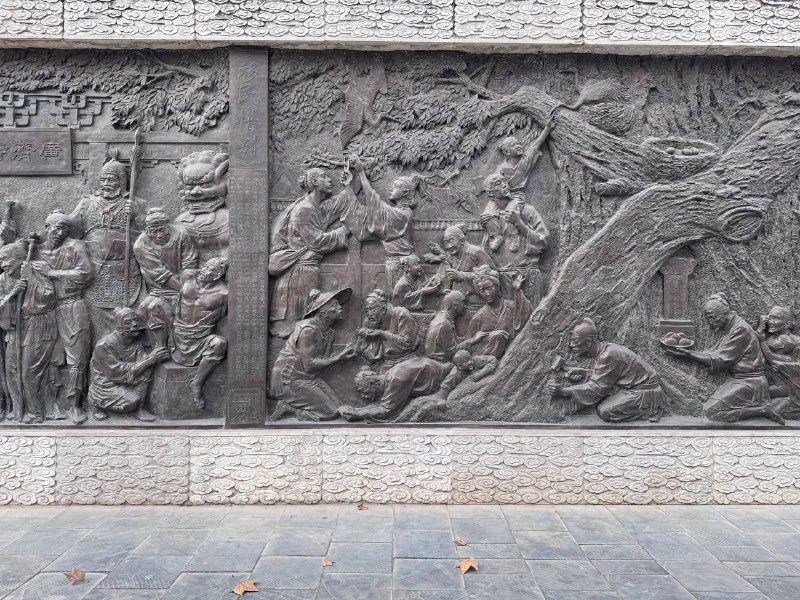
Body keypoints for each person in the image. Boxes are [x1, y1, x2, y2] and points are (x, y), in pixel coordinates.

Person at [664, 293, 785, 424]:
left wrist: (689, 354)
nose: (710, 322)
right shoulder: (731, 326)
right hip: (737, 379)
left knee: (713, 412)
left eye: (712, 317)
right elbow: (718, 353)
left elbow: (721, 360)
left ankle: (762, 411)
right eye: (708, 318)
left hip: (751, 382)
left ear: (724, 313)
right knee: (708, 407)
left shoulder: (740, 329)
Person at [269, 167, 353, 338]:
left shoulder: (317, 207)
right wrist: (343, 232)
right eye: (324, 176)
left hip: (308, 272)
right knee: (298, 326)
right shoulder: (304, 209)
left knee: (306, 323)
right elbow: (317, 242)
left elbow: (341, 202)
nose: (330, 180)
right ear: (315, 182)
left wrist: (349, 185)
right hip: (297, 275)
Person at [69, 152, 147, 335]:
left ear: (122, 180)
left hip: (124, 270)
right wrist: (58, 219)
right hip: (94, 269)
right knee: (95, 319)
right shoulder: (87, 203)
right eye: (103, 179)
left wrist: (138, 216)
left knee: (128, 314)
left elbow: (152, 232)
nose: (106, 184)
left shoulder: (135, 203)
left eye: (111, 179)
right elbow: (71, 229)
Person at [33, 211, 94, 425]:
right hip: (43, 312)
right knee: (49, 357)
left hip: (72, 305)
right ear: (46, 227)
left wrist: (53, 273)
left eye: (65, 229)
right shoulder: (35, 250)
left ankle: (75, 405)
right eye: (57, 227)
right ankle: (49, 404)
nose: (61, 232)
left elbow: (85, 273)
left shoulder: (76, 246)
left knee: (78, 357)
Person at [545, 317, 664, 422]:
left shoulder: (608, 355)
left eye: (575, 341)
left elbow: (597, 388)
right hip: (635, 388)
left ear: (589, 342)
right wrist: (583, 372)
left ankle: (649, 410)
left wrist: (564, 391)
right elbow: (609, 375)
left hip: (644, 393)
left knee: (604, 411)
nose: (571, 345)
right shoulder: (605, 350)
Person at [270, 288, 357, 421]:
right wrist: (339, 358)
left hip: (309, 377)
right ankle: (289, 406)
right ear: (323, 313)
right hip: (290, 378)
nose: (340, 307)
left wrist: (341, 355)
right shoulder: (308, 330)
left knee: (341, 408)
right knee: (330, 413)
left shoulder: (329, 332)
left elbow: (322, 362)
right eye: (334, 305)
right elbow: (309, 365)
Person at [347, 157, 433, 290]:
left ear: (404, 193)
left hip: (402, 266)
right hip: (395, 263)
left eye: (396, 187)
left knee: (399, 297)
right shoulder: (397, 212)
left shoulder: (404, 214)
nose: (391, 189)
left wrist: (361, 172)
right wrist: (348, 186)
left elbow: (374, 201)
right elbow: (367, 210)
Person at [88, 308, 170, 421]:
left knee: (147, 369)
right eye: (128, 322)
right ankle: (97, 403)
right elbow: (116, 373)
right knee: (132, 401)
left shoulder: (135, 341)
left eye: (135, 320)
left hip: (128, 380)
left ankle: (139, 409)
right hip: (107, 385)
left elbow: (142, 363)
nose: (135, 324)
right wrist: (151, 360)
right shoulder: (103, 346)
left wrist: (155, 355)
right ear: (119, 328)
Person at [480, 173, 549, 304]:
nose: (504, 185)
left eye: (504, 181)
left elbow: (544, 242)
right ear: (490, 194)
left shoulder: (527, 211)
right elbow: (487, 252)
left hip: (527, 277)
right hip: (502, 281)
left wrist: (519, 224)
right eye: (498, 183)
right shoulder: (489, 218)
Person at [171, 257, 228, 409]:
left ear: (217, 275)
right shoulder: (188, 275)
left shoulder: (224, 294)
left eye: (209, 268)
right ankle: (158, 349)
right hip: (176, 332)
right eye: (205, 265)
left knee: (219, 343)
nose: (203, 269)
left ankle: (196, 384)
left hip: (201, 338)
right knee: (155, 307)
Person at [339, 358, 456, 423]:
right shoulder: (389, 375)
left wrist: (358, 414)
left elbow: (387, 411)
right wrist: (357, 409)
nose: (363, 396)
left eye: (363, 391)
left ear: (372, 382)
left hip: (443, 378)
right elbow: (384, 404)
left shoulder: (396, 380)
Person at [134, 207, 199, 304]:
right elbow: (160, 274)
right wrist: (186, 292)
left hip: (185, 280)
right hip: (160, 288)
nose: (159, 235)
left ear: (169, 227)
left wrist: (188, 285)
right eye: (154, 231)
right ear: (147, 231)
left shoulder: (181, 233)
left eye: (162, 230)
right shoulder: (140, 245)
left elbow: (189, 262)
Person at [462, 267, 531, 359]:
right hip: (490, 359)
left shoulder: (510, 306)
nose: (487, 293)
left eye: (489, 288)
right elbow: (469, 344)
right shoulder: (478, 317)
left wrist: (517, 290)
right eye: (482, 290)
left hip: (517, 352)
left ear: (497, 287)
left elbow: (525, 314)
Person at [175, 151, 230, 261]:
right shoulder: (180, 222)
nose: (195, 192)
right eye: (189, 187)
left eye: (206, 185)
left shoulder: (229, 219)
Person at [495, 116, 555, 203]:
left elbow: (536, 145)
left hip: (518, 198)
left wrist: (548, 128)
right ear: (507, 152)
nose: (518, 146)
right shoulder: (501, 170)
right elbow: (494, 185)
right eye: (514, 145)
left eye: (518, 143)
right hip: (503, 199)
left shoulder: (525, 161)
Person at [355, 288, 419, 369]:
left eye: (373, 308)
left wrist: (381, 334)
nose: (370, 313)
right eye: (367, 310)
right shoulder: (370, 320)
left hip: (405, 359)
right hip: (382, 363)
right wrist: (362, 338)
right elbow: (362, 351)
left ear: (384, 306)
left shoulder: (402, 314)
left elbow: (408, 343)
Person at [756, 305, 800, 420]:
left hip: (787, 386)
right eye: (769, 318)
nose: (770, 322)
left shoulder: (790, 340)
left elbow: (771, 359)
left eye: (775, 318)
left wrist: (761, 338)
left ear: (787, 324)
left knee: (757, 394)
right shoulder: (772, 339)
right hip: (773, 383)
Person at [0, 242, 27, 421]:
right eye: (1, 261)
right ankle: (17, 408)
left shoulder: (29, 274)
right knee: (11, 370)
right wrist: (12, 294)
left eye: (6, 260)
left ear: (20, 259)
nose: (3, 264)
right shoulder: (3, 280)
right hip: (12, 332)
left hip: (33, 329)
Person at [425, 290, 467, 363]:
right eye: (463, 302)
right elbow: (451, 353)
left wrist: (468, 338)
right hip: (439, 362)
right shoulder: (445, 324)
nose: (465, 306)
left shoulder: (443, 317)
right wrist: (471, 341)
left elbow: (454, 340)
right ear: (455, 305)